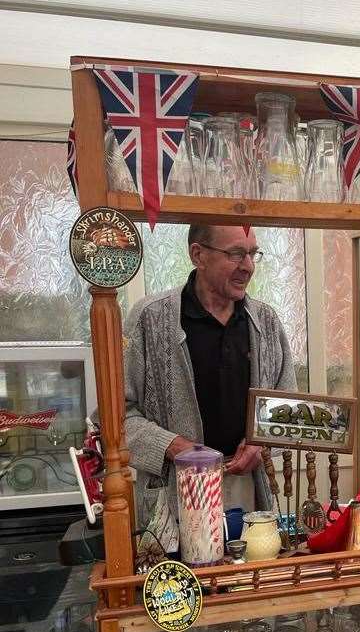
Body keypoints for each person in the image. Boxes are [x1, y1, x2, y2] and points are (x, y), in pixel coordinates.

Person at [123, 224, 296, 547]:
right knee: (186, 592)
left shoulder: (267, 322)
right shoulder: (149, 318)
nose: (248, 265)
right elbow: (117, 417)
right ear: (198, 255)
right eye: (235, 254)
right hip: (173, 497)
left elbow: (286, 411)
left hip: (249, 492)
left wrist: (260, 443)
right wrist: (176, 448)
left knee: (248, 589)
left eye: (252, 253)